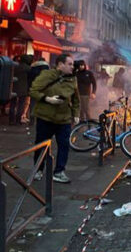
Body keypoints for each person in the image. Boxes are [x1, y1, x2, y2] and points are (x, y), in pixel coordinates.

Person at [29, 54, 80, 183]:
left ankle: (59, 172)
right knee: (42, 145)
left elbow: (75, 99)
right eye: (69, 64)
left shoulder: (73, 79)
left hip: (64, 119)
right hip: (46, 117)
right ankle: (38, 169)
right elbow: (34, 91)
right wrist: (48, 99)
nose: (72, 67)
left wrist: (76, 114)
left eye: (72, 64)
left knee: (64, 145)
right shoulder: (47, 75)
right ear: (60, 64)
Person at [9, 55, 31, 125]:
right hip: (23, 88)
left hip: (13, 87)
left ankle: (11, 120)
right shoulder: (29, 68)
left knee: (12, 104)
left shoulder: (15, 66)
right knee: (21, 105)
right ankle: (18, 120)